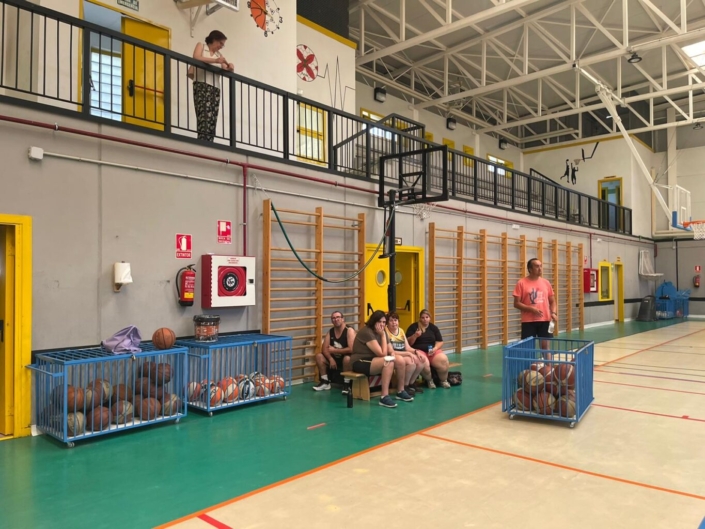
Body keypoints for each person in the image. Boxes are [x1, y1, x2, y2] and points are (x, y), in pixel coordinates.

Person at [351, 310, 414, 408]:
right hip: (360, 361)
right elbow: (382, 354)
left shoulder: (382, 331)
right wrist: (383, 336)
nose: (382, 324)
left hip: (374, 359)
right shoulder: (367, 332)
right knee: (388, 362)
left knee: (400, 360)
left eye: (384, 322)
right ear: (374, 321)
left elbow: (390, 349)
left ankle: (401, 391)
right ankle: (384, 396)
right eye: (379, 322)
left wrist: (393, 354)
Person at [191, 30, 234, 142]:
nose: (221, 46)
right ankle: (202, 140)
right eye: (221, 43)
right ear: (214, 39)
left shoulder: (219, 55)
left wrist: (230, 67)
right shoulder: (202, 46)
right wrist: (215, 61)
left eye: (223, 45)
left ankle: (209, 141)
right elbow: (196, 57)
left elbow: (225, 68)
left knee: (212, 117)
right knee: (204, 114)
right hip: (201, 84)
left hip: (215, 88)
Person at [513, 258, 557, 353]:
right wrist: (531, 309)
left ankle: (548, 363)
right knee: (528, 348)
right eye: (537, 266)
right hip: (528, 321)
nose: (540, 268)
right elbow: (516, 303)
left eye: (541, 266)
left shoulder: (546, 283)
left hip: (545, 320)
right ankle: (529, 363)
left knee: (546, 347)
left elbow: (553, 301)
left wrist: (553, 313)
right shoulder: (521, 283)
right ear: (530, 269)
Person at [385, 312, 432, 395]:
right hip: (394, 356)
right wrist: (408, 354)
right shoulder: (385, 332)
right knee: (411, 362)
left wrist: (416, 352)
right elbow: (390, 351)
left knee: (421, 360)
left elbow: (407, 347)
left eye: (395, 320)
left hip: (404, 354)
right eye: (391, 321)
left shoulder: (401, 331)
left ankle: (411, 383)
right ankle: (404, 386)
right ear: (387, 323)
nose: (394, 323)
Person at [406, 309, 450, 389]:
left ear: (430, 318)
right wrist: (415, 336)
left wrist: (435, 348)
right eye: (422, 317)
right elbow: (408, 343)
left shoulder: (433, 328)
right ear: (420, 318)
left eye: (427, 317)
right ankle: (429, 380)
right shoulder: (413, 327)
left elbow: (440, 341)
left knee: (443, 360)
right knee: (423, 362)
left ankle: (443, 380)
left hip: (432, 351)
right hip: (419, 351)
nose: (425, 319)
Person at [312, 311, 356, 392]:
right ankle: (325, 382)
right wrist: (330, 359)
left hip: (347, 359)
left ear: (342, 319)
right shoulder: (331, 331)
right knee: (319, 356)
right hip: (335, 359)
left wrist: (335, 350)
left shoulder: (349, 330)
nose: (336, 319)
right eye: (333, 318)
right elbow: (324, 349)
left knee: (347, 359)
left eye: (338, 317)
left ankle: (346, 384)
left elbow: (351, 349)